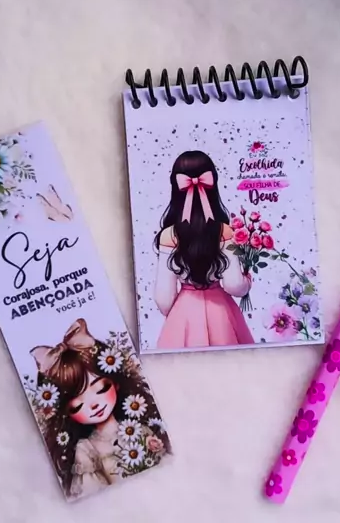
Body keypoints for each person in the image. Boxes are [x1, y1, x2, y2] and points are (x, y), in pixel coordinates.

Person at [29, 318, 170, 499]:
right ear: (65, 411)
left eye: (101, 389)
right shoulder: (86, 450)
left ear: (115, 383)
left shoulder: (140, 429)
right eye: (79, 402)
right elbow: (96, 497)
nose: (94, 404)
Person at [154, 150, 254, 349]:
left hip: (184, 314)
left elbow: (163, 298)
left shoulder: (168, 235)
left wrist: (175, 316)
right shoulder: (224, 231)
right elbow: (234, 285)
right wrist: (247, 281)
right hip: (222, 313)